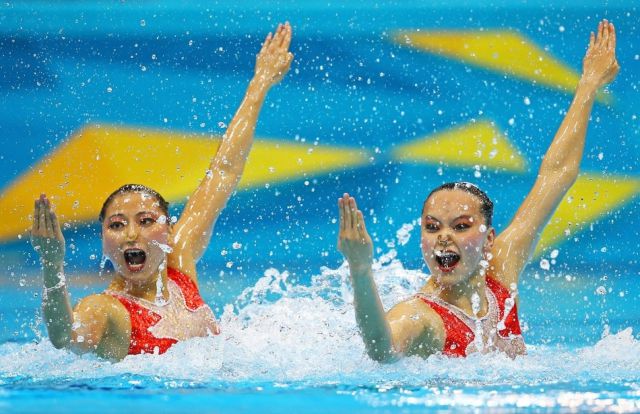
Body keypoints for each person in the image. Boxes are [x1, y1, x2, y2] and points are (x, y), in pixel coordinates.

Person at [337, 20, 619, 361]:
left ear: (489, 239)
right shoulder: (422, 317)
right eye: (432, 226)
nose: (443, 237)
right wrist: (361, 270)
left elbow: (556, 175)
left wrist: (588, 85)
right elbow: (381, 351)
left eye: (460, 226)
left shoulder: (501, 269)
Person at [30, 23, 294, 360]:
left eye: (144, 220)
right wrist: (52, 265)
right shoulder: (108, 310)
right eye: (116, 225)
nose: (130, 234)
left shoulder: (179, 263)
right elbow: (63, 336)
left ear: (167, 229)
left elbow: (224, 172)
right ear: (104, 240)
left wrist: (260, 84)